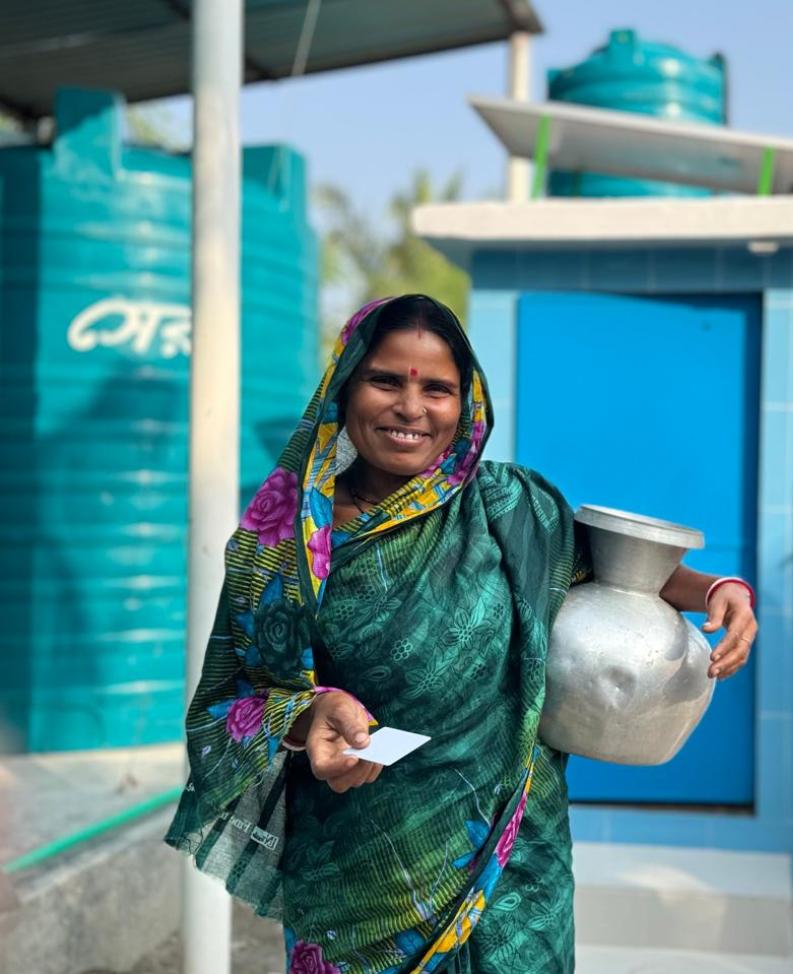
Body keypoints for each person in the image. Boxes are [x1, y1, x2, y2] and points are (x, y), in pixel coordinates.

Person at [165, 295, 758, 974]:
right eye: (386, 380)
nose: (411, 408)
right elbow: (233, 704)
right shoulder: (288, 541)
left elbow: (625, 569)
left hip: (515, 870)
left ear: (466, 400)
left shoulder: (512, 509)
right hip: (362, 875)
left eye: (437, 389)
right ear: (344, 385)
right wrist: (306, 717)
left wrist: (719, 590)